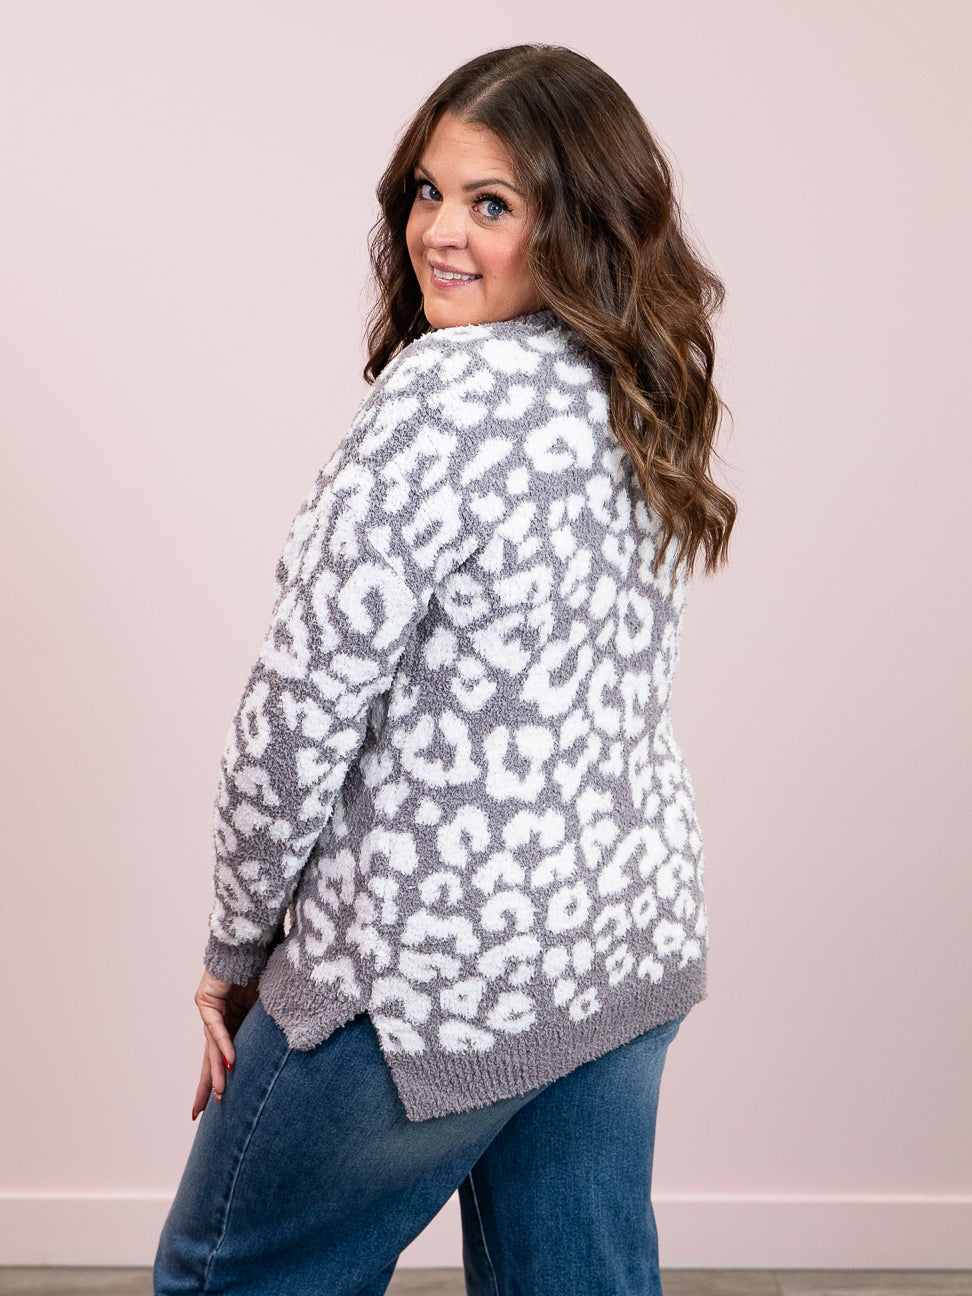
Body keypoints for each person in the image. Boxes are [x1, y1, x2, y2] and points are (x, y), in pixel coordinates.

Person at [154, 42, 735, 1296]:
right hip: (617, 936)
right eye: (429, 191)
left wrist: (235, 953)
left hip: (432, 973)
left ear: (574, 224)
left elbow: (295, 716)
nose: (440, 233)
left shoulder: (444, 393)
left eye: (492, 202)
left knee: (224, 1279)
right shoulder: (639, 385)